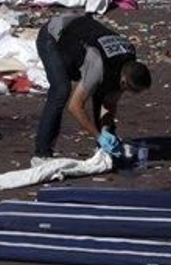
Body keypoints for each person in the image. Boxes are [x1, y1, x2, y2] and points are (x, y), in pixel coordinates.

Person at [33, 14, 153, 159]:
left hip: (82, 41)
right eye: (132, 90)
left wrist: (106, 130)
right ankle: (42, 154)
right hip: (53, 36)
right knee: (61, 90)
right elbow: (75, 106)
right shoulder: (99, 66)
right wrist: (98, 136)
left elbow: (109, 102)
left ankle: (105, 147)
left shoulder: (128, 62)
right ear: (124, 81)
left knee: (103, 90)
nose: (128, 93)